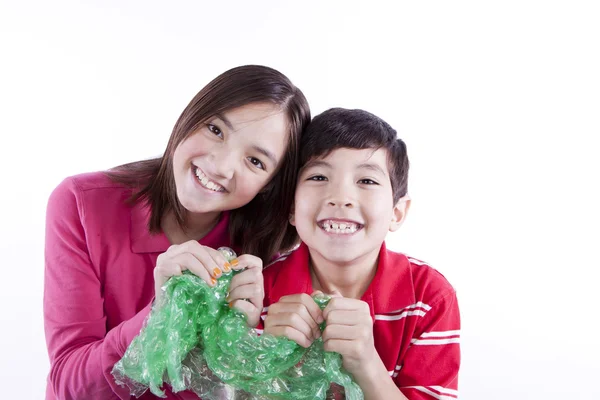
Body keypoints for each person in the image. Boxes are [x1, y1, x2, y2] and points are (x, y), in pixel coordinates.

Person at [43, 65, 311, 400]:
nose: (221, 166)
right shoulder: (81, 204)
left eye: (255, 162)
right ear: (190, 116)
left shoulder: (265, 254)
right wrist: (160, 314)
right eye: (215, 129)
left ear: (269, 185)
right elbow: (70, 385)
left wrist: (241, 343)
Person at [260, 108, 460, 399]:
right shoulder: (260, 292)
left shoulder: (429, 298)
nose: (340, 198)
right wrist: (270, 358)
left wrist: (366, 362)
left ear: (397, 212)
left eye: (367, 181)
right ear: (291, 207)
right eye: (318, 177)